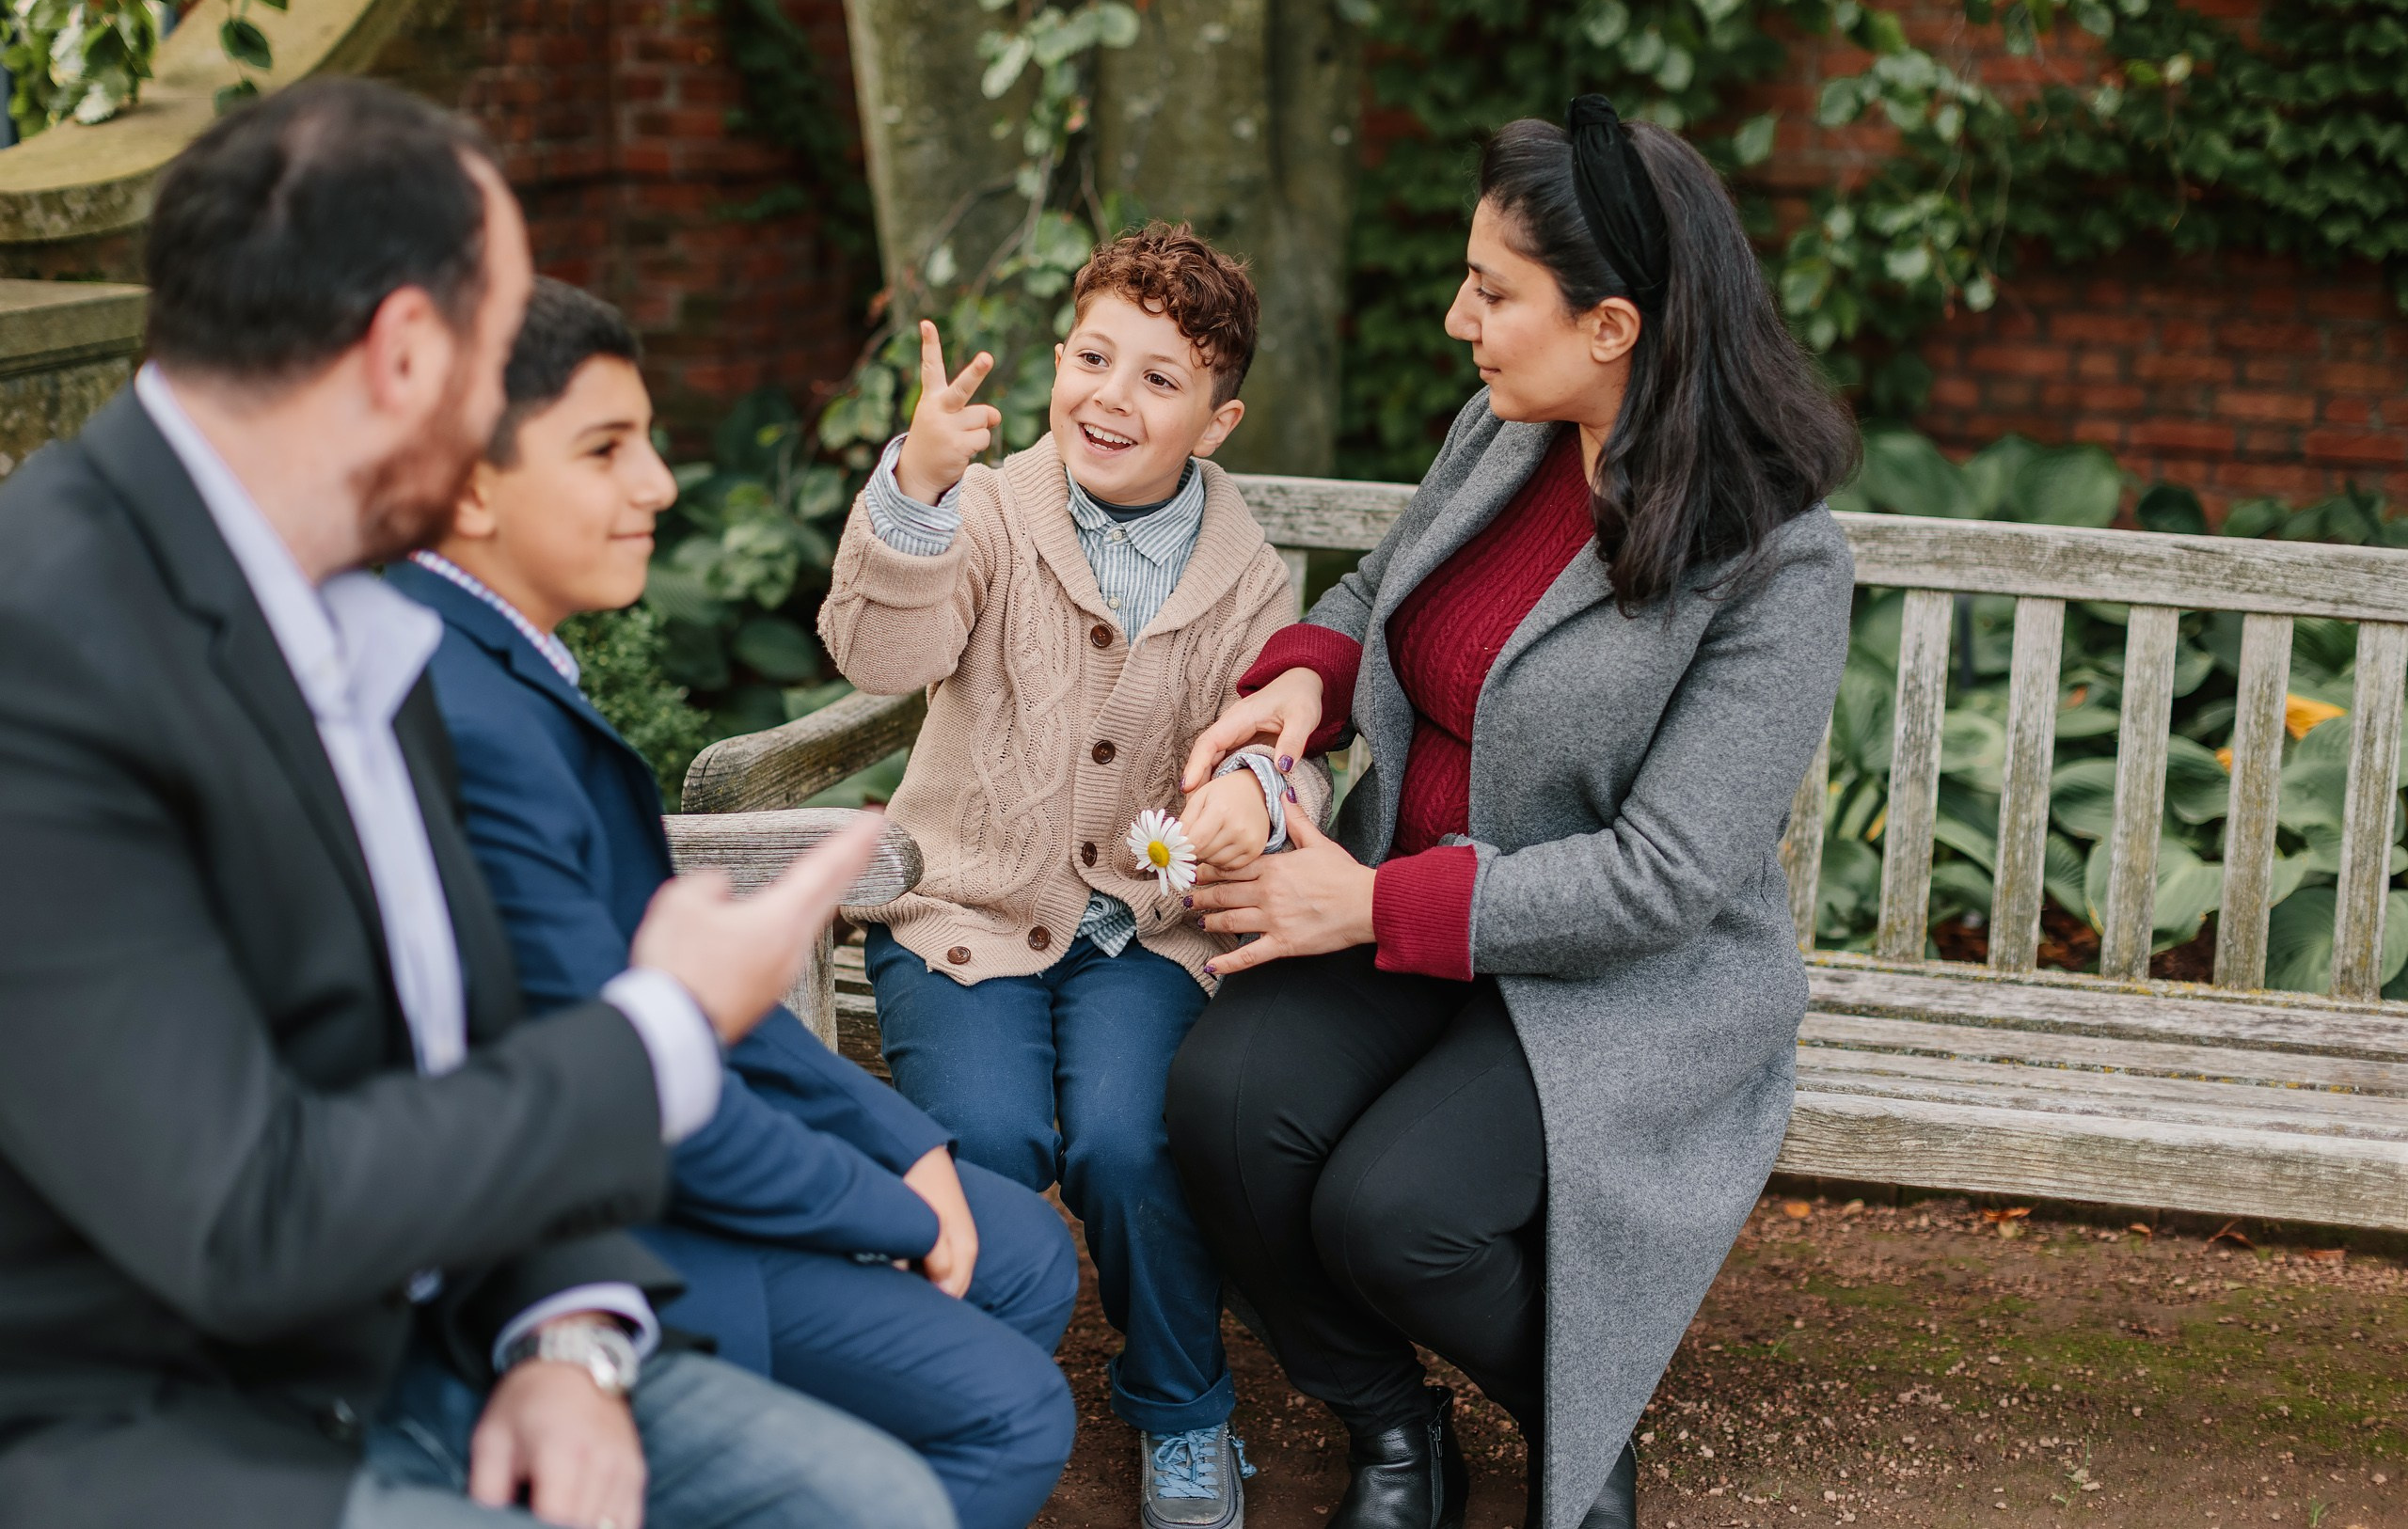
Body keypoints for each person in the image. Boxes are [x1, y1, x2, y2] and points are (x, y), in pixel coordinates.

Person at [0, 78, 952, 1529]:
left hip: (451, 1332)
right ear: (403, 354)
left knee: (877, 1507)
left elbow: (467, 1021)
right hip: (172, 1412)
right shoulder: (44, 644)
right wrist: (666, 1027)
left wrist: (565, 1327)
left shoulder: (349, 600)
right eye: (505, 349)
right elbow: (245, 1219)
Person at [1162, 97, 1861, 1529]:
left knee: (1395, 1218)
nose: (1454, 319)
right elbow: (1376, 599)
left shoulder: (1775, 562)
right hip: (1413, 904)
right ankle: (1396, 1429)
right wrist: (1306, 687)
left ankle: (1581, 1431)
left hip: (1617, 977)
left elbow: (1663, 881)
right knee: (1223, 1111)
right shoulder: (1501, 428)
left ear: (1611, 325)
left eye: (1492, 291)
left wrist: (1365, 907)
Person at [387, 276, 1081, 1529]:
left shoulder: (514, 661)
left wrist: (899, 1140)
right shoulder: (461, 719)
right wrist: (880, 1206)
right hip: (616, 1227)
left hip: (677, 1142)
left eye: (647, 440)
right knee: (1017, 1409)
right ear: (472, 487)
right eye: (607, 450)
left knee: (1020, 1251)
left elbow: (681, 985)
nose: (659, 484)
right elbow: (630, 1087)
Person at [817, 222, 1330, 1529]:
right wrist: (915, 492)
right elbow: (877, 656)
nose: (1113, 395)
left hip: (1144, 929)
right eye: (1095, 357)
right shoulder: (989, 513)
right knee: (988, 1137)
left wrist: (1252, 794)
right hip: (966, 909)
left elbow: (1290, 740)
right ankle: (965, 1395)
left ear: (1216, 423)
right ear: (1057, 362)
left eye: (1161, 379)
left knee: (1133, 1140)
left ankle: (1182, 1406)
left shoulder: (1248, 572)